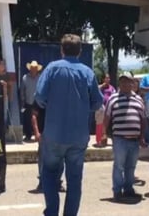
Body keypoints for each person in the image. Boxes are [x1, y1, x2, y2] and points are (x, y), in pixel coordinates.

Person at [35, 34, 103, 216]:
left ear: (62, 50)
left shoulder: (52, 69)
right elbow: (98, 103)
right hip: (78, 136)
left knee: (49, 175)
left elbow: (40, 97)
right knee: (74, 180)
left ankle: (52, 212)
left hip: (54, 134)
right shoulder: (87, 72)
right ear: (80, 51)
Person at [103, 71, 146, 201]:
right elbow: (107, 117)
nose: (125, 83)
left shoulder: (138, 99)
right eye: (122, 81)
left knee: (131, 166)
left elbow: (143, 119)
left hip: (134, 140)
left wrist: (142, 137)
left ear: (132, 83)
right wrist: (105, 134)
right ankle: (117, 191)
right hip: (119, 139)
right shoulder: (113, 98)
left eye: (127, 81)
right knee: (119, 165)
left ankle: (128, 189)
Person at [32, 100, 65, 193]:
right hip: (44, 133)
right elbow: (34, 116)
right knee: (43, 159)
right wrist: (36, 132)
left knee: (60, 159)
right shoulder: (40, 97)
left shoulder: (60, 97)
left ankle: (57, 182)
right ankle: (42, 182)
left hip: (58, 133)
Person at [21, 60, 42, 142]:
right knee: (27, 120)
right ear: (30, 69)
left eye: (35, 68)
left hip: (38, 103)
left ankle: (39, 135)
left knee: (39, 120)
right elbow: (22, 90)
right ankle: (28, 135)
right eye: (32, 68)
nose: (34, 69)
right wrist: (22, 102)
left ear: (37, 69)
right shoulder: (25, 78)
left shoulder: (40, 78)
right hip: (28, 102)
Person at [95, 73, 115, 146]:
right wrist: (102, 86)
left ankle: (105, 140)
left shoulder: (111, 88)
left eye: (108, 78)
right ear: (103, 79)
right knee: (99, 124)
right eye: (106, 78)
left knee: (108, 124)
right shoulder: (100, 87)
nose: (108, 79)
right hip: (100, 108)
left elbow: (114, 95)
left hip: (108, 108)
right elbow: (95, 91)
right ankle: (99, 141)